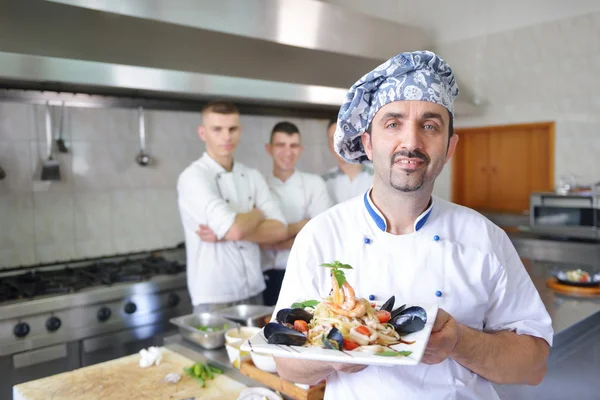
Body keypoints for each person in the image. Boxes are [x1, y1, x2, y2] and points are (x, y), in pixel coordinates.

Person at [273, 51, 552, 399]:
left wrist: (460, 343)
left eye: (430, 125)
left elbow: (534, 366)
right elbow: (286, 364)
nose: (411, 142)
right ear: (368, 142)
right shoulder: (321, 236)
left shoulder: (484, 238)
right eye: (393, 123)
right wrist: (336, 355)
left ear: (449, 147)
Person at [177, 100, 287, 313]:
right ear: (203, 133)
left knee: (254, 346)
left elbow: (279, 230)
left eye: (232, 129)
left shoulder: (251, 175)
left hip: (254, 289)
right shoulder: (193, 177)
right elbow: (234, 230)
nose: (226, 136)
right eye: (217, 129)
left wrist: (225, 233)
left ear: (240, 130)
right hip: (214, 294)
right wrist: (258, 213)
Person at [261, 121, 333, 306]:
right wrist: (303, 224)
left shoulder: (314, 184)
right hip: (266, 277)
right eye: (280, 145)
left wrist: (275, 239)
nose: (288, 152)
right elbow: (256, 236)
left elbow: (320, 233)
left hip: (304, 272)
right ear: (269, 149)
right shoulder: (258, 185)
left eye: (293, 146)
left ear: (300, 149)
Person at [321, 119, 374, 204]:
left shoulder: (380, 175)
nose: (341, 144)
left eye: (346, 137)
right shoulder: (322, 182)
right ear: (329, 145)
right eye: (335, 139)